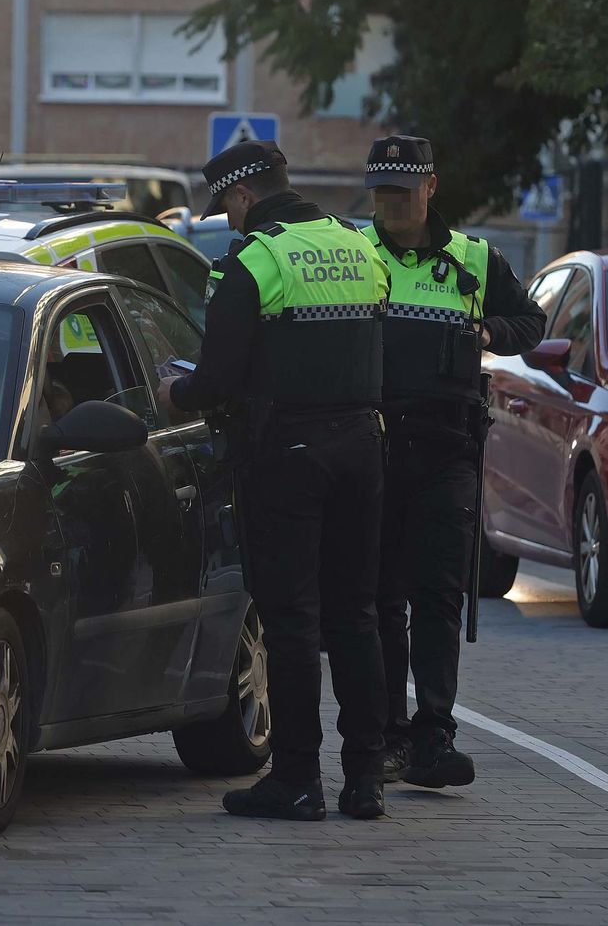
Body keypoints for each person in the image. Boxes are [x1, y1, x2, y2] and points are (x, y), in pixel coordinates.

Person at [158, 140, 392, 821]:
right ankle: (366, 778)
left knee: (292, 621)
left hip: (289, 455)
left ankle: (295, 778)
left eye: (228, 208)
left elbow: (218, 378)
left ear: (243, 196)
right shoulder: (358, 246)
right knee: (356, 616)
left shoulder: (255, 261)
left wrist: (178, 395)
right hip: (363, 447)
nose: (229, 221)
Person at [360, 136, 547, 787]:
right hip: (375, 448)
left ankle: (434, 736)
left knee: (438, 597)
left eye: (402, 194)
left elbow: (534, 321)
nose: (390, 207)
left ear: (430, 187)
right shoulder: (354, 254)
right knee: (381, 600)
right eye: (381, 194)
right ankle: (385, 736)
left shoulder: (473, 259)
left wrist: (490, 332)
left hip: (446, 452)